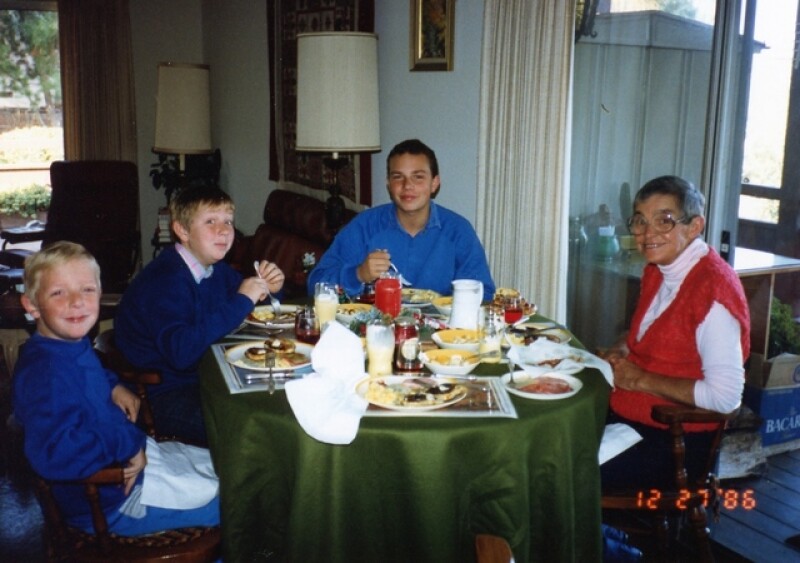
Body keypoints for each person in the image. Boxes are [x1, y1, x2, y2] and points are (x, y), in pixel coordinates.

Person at [12, 241, 219, 535]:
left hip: (121, 462)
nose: (76, 302)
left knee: (225, 467)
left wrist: (113, 386)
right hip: (108, 499)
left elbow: (85, 375)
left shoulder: (64, 343)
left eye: (87, 289)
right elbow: (54, 453)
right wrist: (128, 445)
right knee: (232, 504)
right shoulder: (44, 375)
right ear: (32, 305)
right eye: (58, 292)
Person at [600, 175, 750, 491]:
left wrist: (639, 379)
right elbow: (653, 335)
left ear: (694, 227)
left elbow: (726, 398)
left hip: (673, 441)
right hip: (631, 419)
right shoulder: (659, 270)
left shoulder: (712, 291)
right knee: (545, 444)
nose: (647, 233)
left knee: (559, 468)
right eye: (640, 221)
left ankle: (598, 539)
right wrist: (621, 351)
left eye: (664, 221)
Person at [115, 185, 284, 446]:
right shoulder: (165, 281)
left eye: (228, 221)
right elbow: (182, 354)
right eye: (210, 221)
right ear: (182, 230)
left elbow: (254, 311)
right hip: (165, 393)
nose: (224, 230)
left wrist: (271, 289)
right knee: (259, 430)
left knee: (282, 400)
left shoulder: (214, 268)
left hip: (208, 375)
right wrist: (243, 299)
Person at [307, 138, 496, 301]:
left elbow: (484, 293)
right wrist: (358, 274)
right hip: (375, 332)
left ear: (434, 183)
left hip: (440, 336)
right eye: (398, 177)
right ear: (389, 184)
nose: (407, 186)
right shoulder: (364, 226)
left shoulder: (458, 231)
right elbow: (315, 285)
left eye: (418, 177)